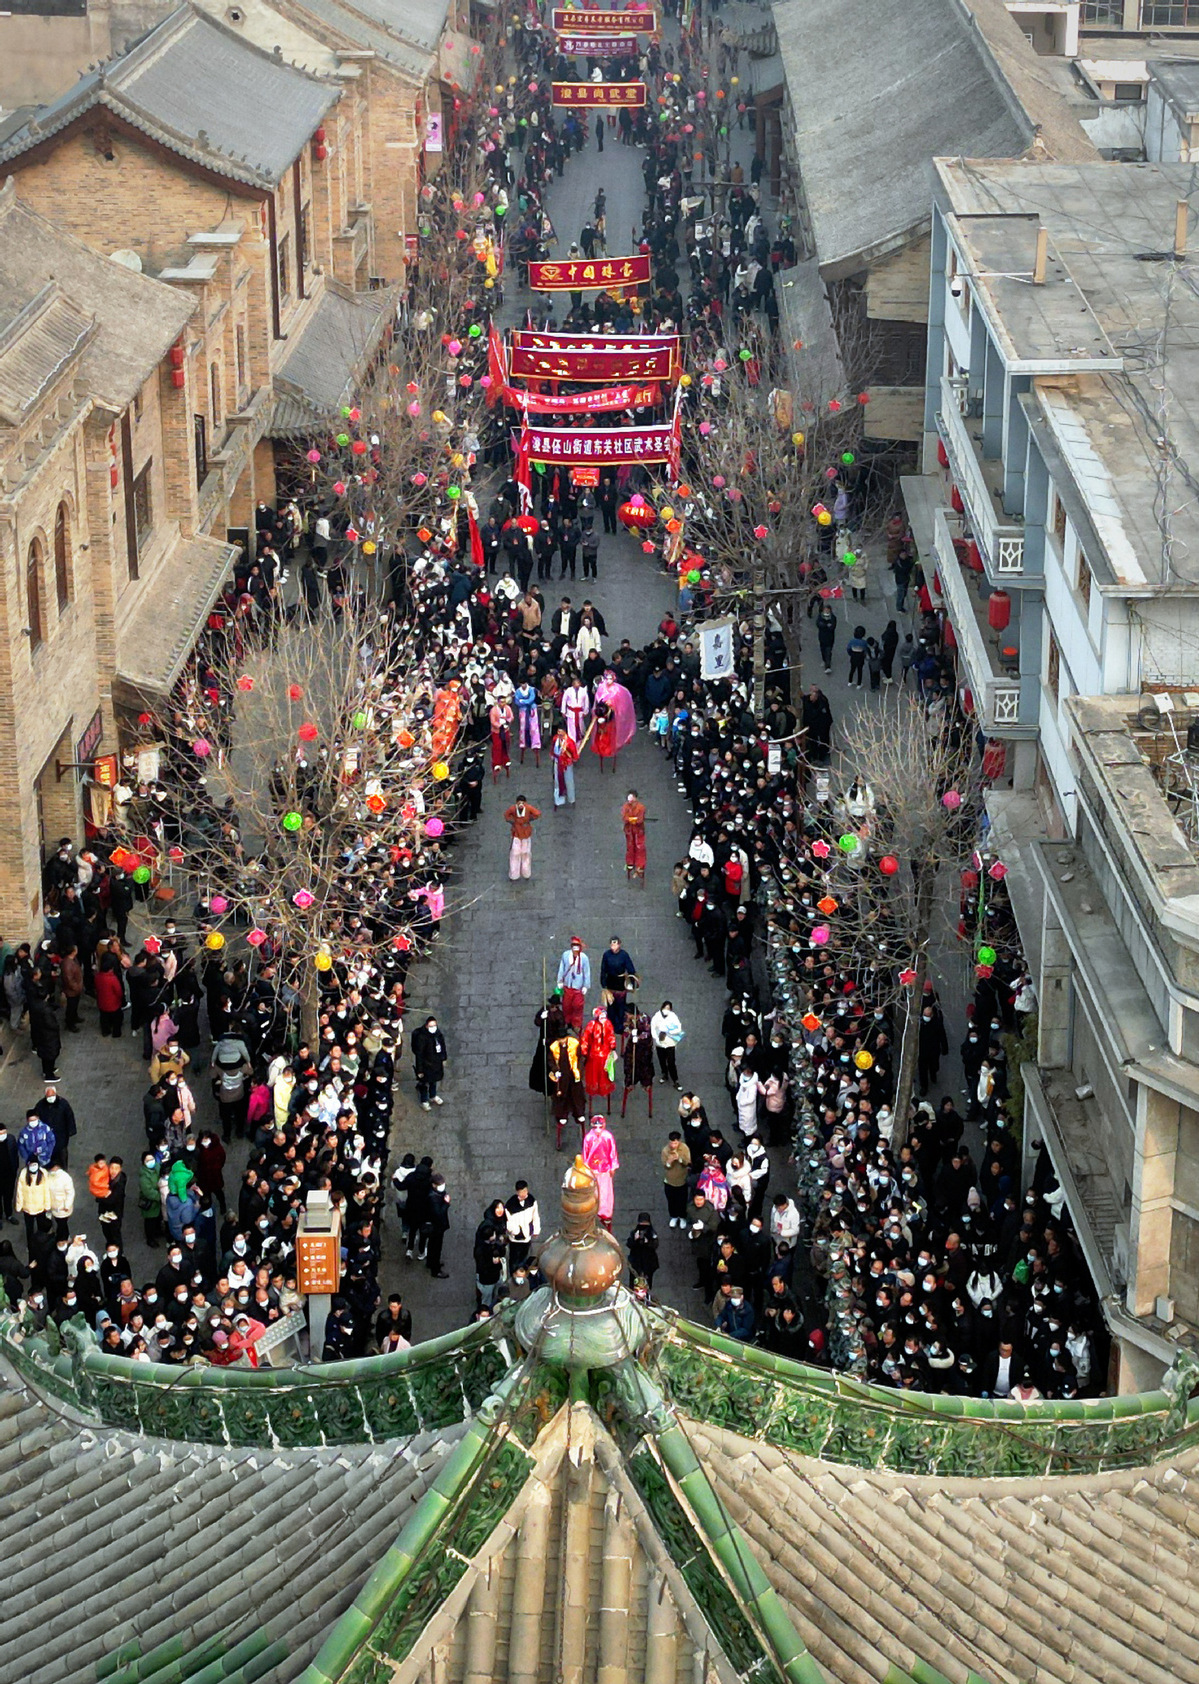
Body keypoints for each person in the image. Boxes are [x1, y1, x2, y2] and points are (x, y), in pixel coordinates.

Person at [582, 1115, 619, 1223]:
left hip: (604, 1168)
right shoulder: (588, 1138)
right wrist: (586, 1167)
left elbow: (612, 1152)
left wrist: (612, 1167)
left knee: (605, 1190)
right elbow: (585, 1153)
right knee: (591, 1191)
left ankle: (605, 1212)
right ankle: (591, 1210)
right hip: (592, 1168)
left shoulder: (608, 1137)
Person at [579, 1007, 616, 1105]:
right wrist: (584, 1051)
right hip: (594, 1055)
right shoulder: (591, 1025)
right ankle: (593, 1089)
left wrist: (613, 1047)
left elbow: (611, 1036)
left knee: (605, 1074)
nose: (604, 1019)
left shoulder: (608, 1024)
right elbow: (585, 1039)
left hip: (606, 1054)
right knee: (593, 1074)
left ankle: (604, 1088)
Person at [411, 1016, 447, 1109]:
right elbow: (419, 1055)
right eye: (431, 1026)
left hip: (436, 1064)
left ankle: (433, 1095)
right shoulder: (421, 1037)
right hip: (426, 1064)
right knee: (424, 1083)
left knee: (433, 1081)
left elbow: (442, 1046)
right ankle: (424, 1100)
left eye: (434, 1025)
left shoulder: (438, 1034)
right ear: (426, 1026)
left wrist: (443, 1058)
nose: (433, 1028)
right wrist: (419, 1070)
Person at [503, 795, 542, 881]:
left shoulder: (528, 808)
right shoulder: (513, 809)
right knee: (514, 854)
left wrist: (529, 820)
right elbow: (506, 815)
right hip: (516, 833)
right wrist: (513, 822)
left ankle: (526, 874)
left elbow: (537, 813)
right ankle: (514, 875)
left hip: (526, 833)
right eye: (519, 803)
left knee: (526, 854)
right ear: (516, 803)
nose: (520, 805)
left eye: (522, 803)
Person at [556, 938, 590, 1032]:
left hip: (578, 987)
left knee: (578, 1006)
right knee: (566, 1005)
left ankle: (577, 1023)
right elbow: (562, 968)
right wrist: (560, 981)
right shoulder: (566, 955)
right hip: (568, 985)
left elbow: (586, 972)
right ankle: (567, 1021)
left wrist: (585, 985)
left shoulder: (584, 958)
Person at [661, 1130, 691, 1228]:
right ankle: (673, 1216)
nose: (673, 1145)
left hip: (682, 1180)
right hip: (670, 1180)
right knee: (671, 1200)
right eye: (671, 1142)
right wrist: (669, 1161)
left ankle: (682, 1216)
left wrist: (679, 1158)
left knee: (682, 1200)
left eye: (675, 1143)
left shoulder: (684, 1148)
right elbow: (666, 1166)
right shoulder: (665, 1150)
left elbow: (687, 1162)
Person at [650, 1002, 684, 1088]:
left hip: (670, 1043)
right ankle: (664, 1073)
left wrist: (669, 1032)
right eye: (665, 1008)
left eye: (668, 1008)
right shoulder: (656, 1016)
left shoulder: (673, 1016)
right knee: (662, 1060)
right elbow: (653, 1028)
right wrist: (656, 1039)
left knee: (671, 1062)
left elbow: (678, 1028)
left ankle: (675, 1080)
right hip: (660, 1044)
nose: (666, 1010)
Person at [626, 1212, 659, 1288]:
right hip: (636, 1260)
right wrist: (635, 1239)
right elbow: (629, 1244)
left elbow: (655, 1245)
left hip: (648, 1261)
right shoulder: (634, 1232)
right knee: (634, 1279)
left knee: (647, 1280)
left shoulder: (652, 1233)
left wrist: (647, 1242)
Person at [551, 721, 579, 808]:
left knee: (569, 781)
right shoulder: (555, 739)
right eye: (558, 731)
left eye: (561, 731)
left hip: (566, 765)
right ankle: (558, 801)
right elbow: (552, 749)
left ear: (565, 731)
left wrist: (571, 757)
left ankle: (572, 799)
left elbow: (574, 755)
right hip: (557, 762)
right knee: (557, 781)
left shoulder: (570, 742)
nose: (559, 733)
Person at [621, 788, 647, 881]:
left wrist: (631, 819)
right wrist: (633, 819)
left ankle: (640, 865)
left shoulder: (641, 807)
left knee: (640, 847)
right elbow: (624, 818)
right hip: (629, 830)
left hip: (638, 830)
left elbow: (639, 820)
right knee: (630, 846)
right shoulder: (625, 807)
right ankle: (630, 863)